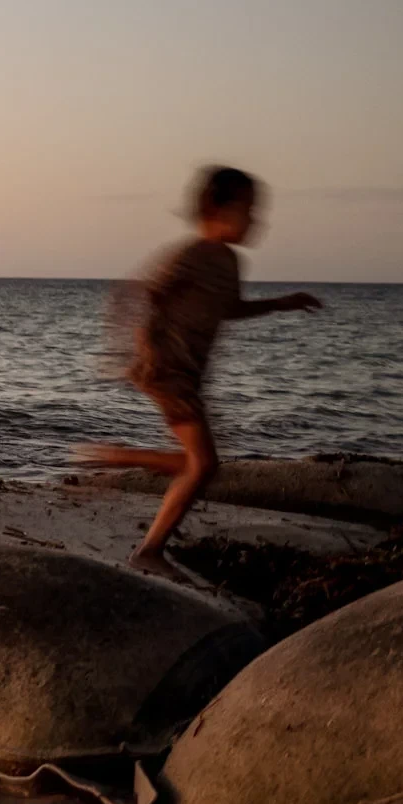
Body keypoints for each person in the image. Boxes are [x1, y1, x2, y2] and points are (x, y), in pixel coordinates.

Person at [76, 166, 323, 584]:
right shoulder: (192, 254)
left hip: (186, 374)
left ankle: (119, 458)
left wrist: (282, 303)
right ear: (214, 210)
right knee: (204, 464)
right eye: (247, 210)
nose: (255, 221)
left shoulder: (229, 261)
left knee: (201, 465)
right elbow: (139, 294)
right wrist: (134, 348)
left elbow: (230, 309)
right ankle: (148, 551)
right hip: (165, 370)